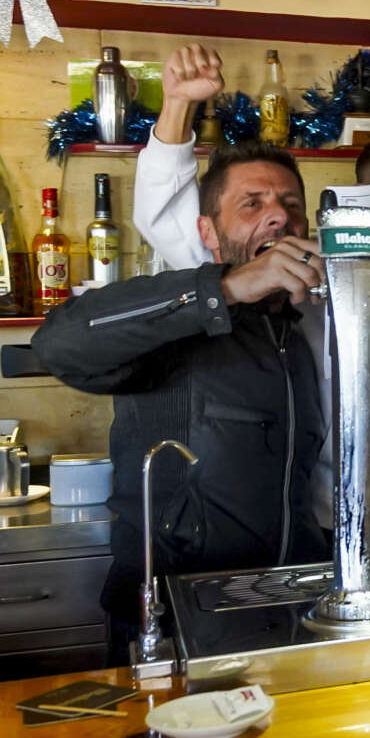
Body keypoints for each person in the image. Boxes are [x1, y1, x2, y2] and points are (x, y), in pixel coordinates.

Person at [131, 44, 370, 554]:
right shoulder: (313, 282)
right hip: (335, 532)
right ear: (361, 198)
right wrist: (177, 109)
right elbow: (181, 231)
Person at [33, 142, 330, 664]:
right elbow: (58, 344)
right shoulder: (176, 322)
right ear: (208, 234)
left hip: (286, 603)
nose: (279, 215)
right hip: (172, 613)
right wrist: (227, 289)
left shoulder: (300, 333)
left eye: (290, 204)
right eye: (252, 204)